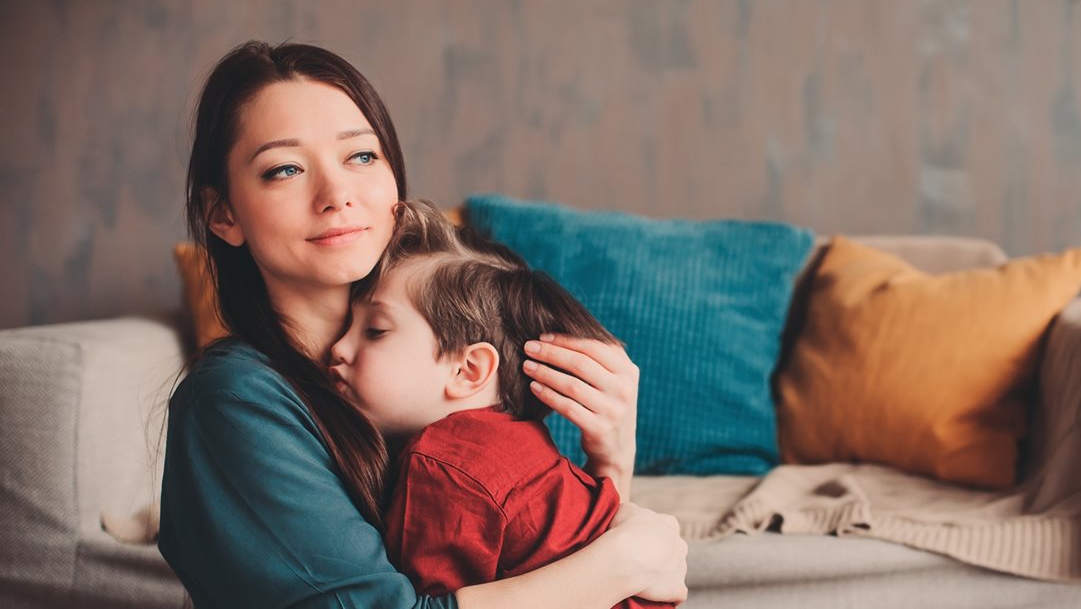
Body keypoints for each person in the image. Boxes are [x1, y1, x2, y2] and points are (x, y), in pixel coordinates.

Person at [158, 40, 687, 609]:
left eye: (362, 156)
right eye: (284, 169)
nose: (337, 195)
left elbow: (537, 556)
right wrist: (620, 563)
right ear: (223, 214)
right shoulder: (235, 400)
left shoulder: (423, 374)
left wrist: (611, 463)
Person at [328, 199, 673, 609]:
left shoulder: (441, 465)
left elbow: (424, 602)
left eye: (375, 330)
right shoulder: (525, 442)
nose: (338, 347)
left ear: (468, 369)